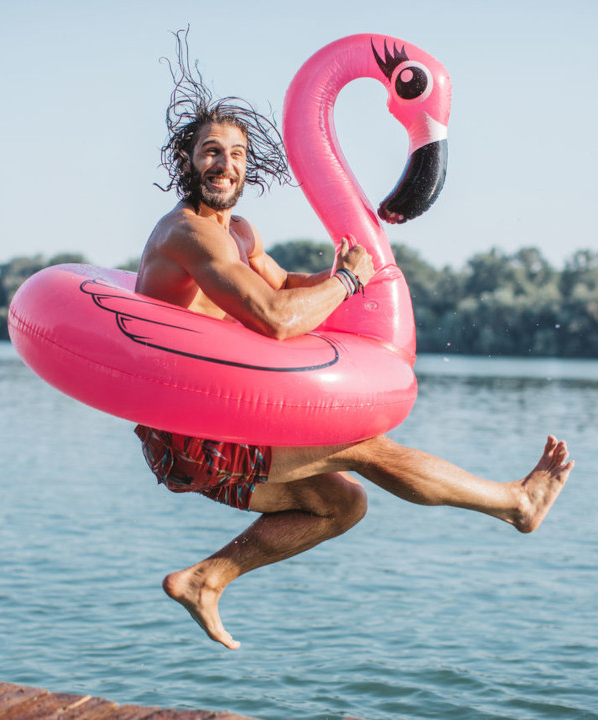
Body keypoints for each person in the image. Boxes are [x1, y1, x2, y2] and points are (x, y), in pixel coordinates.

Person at [133, 34, 574, 650]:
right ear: (188, 162)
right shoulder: (188, 234)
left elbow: (283, 283)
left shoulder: (237, 232)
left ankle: (206, 579)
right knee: (362, 445)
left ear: (247, 166)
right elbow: (276, 317)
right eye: (210, 151)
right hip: (185, 431)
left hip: (220, 421)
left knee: (342, 504)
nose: (224, 164)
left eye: (236, 153)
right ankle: (515, 503)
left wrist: (346, 279)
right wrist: (344, 281)